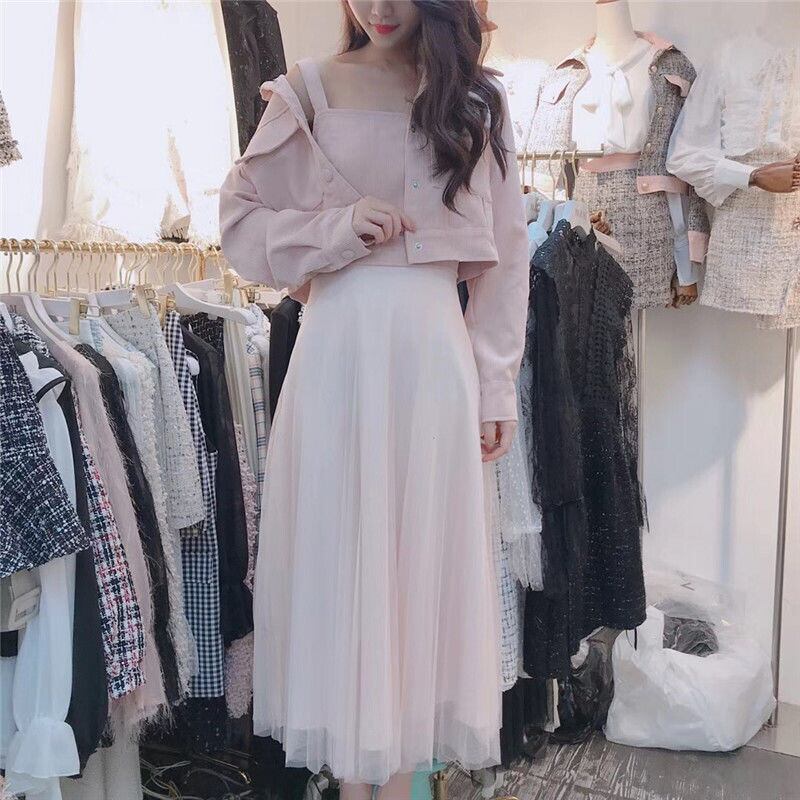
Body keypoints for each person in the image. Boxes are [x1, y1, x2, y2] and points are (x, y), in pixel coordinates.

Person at [219, 1, 529, 797]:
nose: (381, 7)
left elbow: (506, 256)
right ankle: (352, 785)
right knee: (342, 563)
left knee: (419, 567)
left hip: (432, 358)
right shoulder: (307, 91)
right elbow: (241, 226)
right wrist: (336, 228)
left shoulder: (475, 99)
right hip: (337, 354)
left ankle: (398, 784)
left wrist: (495, 384)